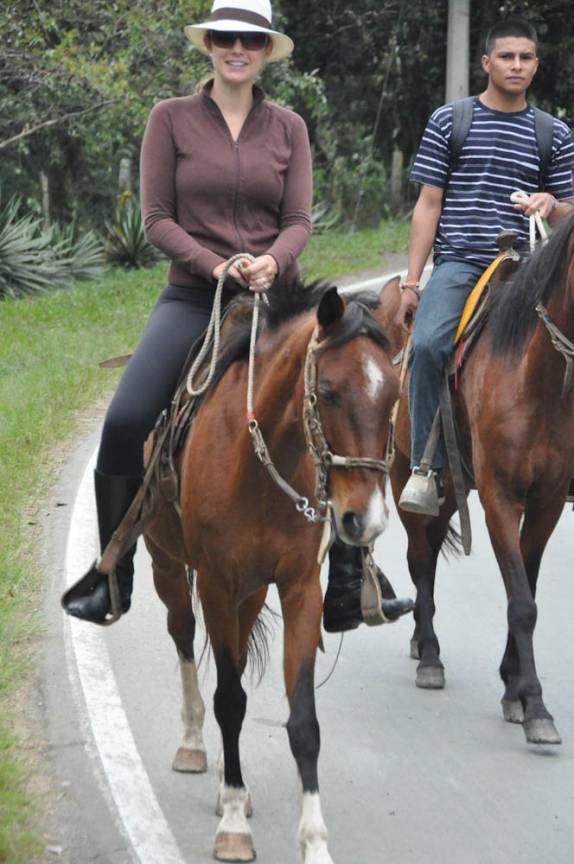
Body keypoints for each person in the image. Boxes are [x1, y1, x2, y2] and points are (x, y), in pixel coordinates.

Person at [63, 0, 313, 625]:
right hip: (194, 295)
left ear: (265, 51)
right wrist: (216, 265)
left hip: (273, 297)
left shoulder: (289, 127)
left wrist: (273, 264)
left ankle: (353, 574)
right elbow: (155, 219)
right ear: (208, 46)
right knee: (123, 423)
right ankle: (111, 573)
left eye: (250, 41)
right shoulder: (169, 118)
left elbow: (298, 220)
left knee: (341, 408)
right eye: (226, 38)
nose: (237, 49)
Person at [396, 16, 574, 516]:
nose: (516, 65)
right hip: (462, 265)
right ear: (486, 62)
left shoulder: (553, 133)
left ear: (536, 65)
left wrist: (548, 203)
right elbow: (428, 204)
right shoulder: (450, 121)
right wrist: (413, 280)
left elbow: (568, 208)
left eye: (526, 57)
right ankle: (425, 468)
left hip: (531, 271)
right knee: (429, 345)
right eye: (507, 56)